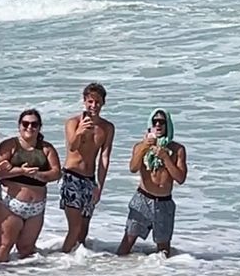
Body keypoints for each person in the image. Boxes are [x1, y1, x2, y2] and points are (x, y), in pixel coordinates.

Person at [0, 109, 61, 263]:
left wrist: (37, 175)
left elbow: (56, 173)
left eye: (34, 124)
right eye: (25, 124)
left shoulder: (46, 148)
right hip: (7, 203)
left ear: (39, 127)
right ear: (19, 126)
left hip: (36, 208)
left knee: (26, 248)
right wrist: (21, 171)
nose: (29, 127)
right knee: (4, 245)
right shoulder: (10, 145)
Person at [117, 109, 187, 257]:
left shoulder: (177, 150)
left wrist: (165, 158)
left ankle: (159, 272)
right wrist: (144, 147)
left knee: (163, 250)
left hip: (164, 203)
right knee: (127, 242)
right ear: (150, 125)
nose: (158, 125)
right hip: (143, 199)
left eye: (162, 122)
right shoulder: (140, 146)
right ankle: (118, 268)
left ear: (168, 125)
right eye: (155, 122)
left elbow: (180, 178)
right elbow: (133, 168)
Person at [61, 83, 115, 252]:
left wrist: (99, 186)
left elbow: (104, 158)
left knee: (83, 231)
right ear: (84, 101)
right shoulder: (73, 122)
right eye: (90, 101)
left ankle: (78, 263)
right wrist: (80, 132)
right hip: (72, 177)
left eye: (97, 102)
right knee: (75, 228)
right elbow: (72, 147)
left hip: (90, 181)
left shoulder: (107, 128)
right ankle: (61, 260)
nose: (94, 106)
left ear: (103, 103)